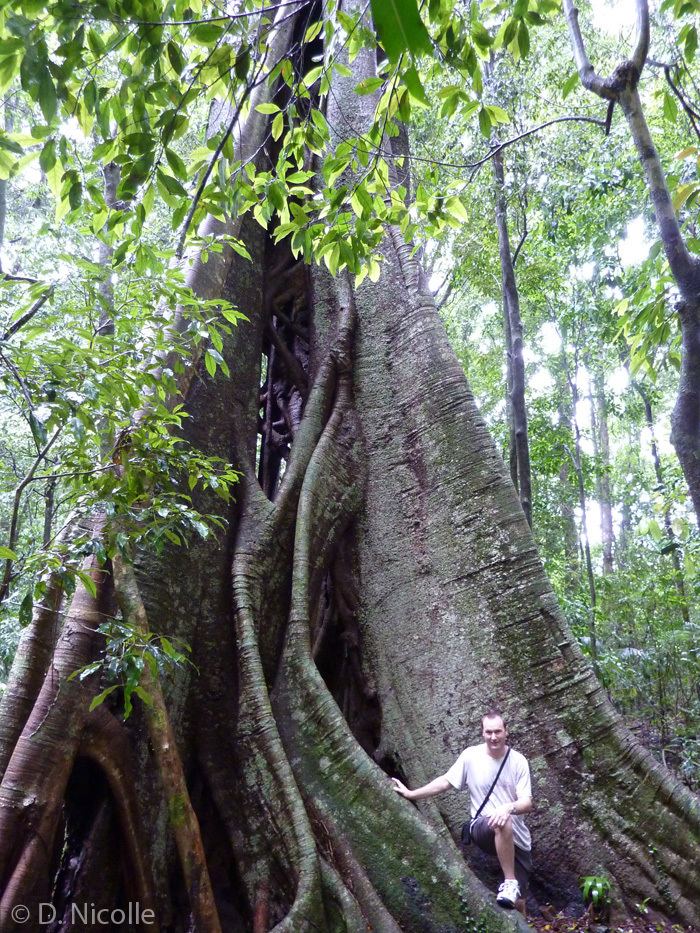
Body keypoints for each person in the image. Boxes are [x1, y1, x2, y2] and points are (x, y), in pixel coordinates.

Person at [391, 710, 533, 911]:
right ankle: (509, 882)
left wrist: (507, 807)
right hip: (482, 827)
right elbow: (444, 782)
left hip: (517, 838)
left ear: (506, 732)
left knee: (518, 901)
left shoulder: (518, 761)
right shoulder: (471, 756)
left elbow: (527, 802)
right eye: (488, 732)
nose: (493, 737)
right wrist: (412, 794)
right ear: (482, 733)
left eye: (498, 732)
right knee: (503, 821)